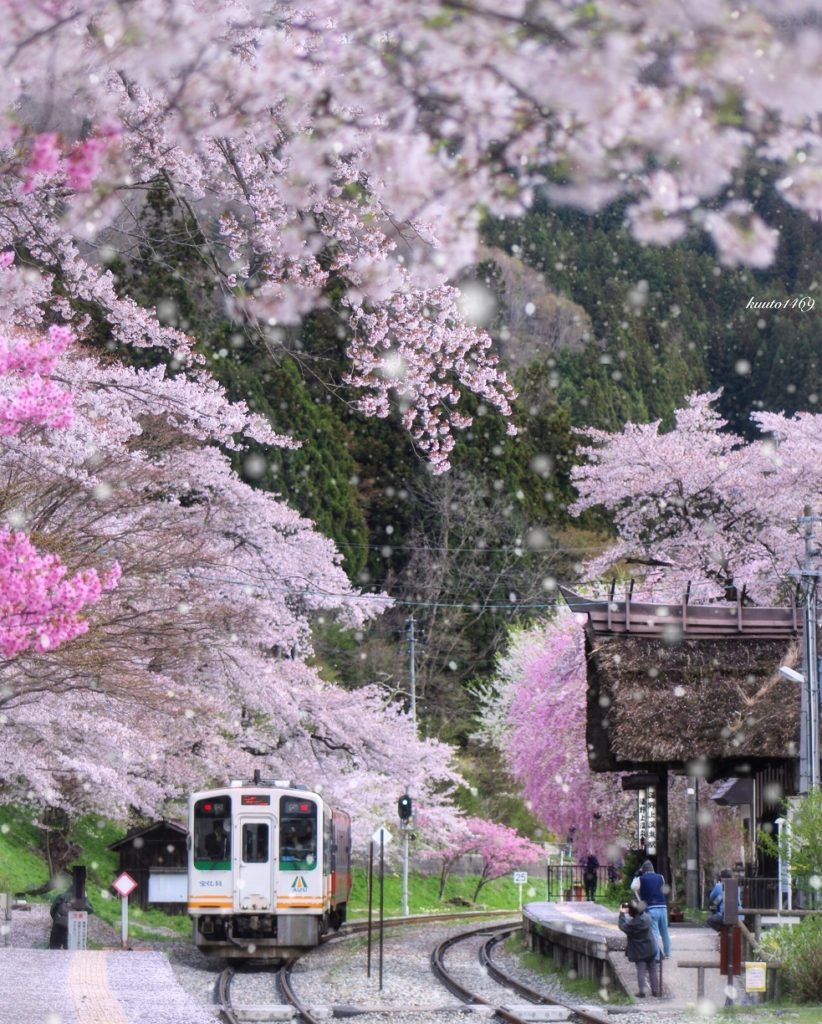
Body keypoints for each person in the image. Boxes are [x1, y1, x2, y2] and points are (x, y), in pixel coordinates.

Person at [630, 859, 671, 960]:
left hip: (651, 909)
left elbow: (633, 887)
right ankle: (668, 953)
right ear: (653, 869)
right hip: (663, 907)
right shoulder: (660, 877)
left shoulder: (641, 879)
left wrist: (637, 874)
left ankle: (656, 957)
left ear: (643, 870)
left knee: (654, 933)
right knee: (665, 931)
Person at [618, 899, 660, 997]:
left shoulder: (633, 924)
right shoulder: (647, 918)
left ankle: (642, 991)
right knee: (653, 969)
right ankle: (655, 990)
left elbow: (623, 926)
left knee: (641, 970)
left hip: (639, 951)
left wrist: (622, 914)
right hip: (651, 948)